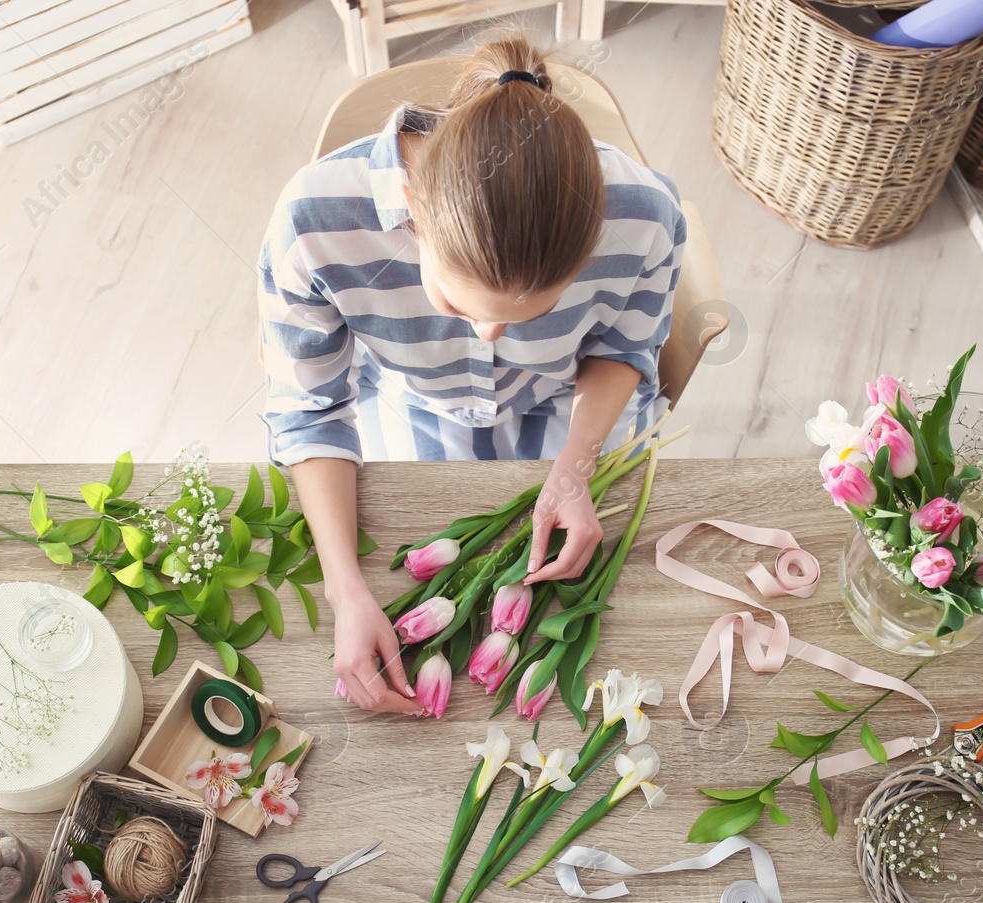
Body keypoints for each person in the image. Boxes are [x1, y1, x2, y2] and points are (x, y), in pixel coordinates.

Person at [258, 33, 685, 714]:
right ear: (410, 208)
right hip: (408, 409)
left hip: (573, 414)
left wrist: (575, 467)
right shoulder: (313, 224)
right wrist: (346, 589)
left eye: (534, 313)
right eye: (458, 303)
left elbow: (627, 349)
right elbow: (309, 411)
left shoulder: (643, 214)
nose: (489, 332)